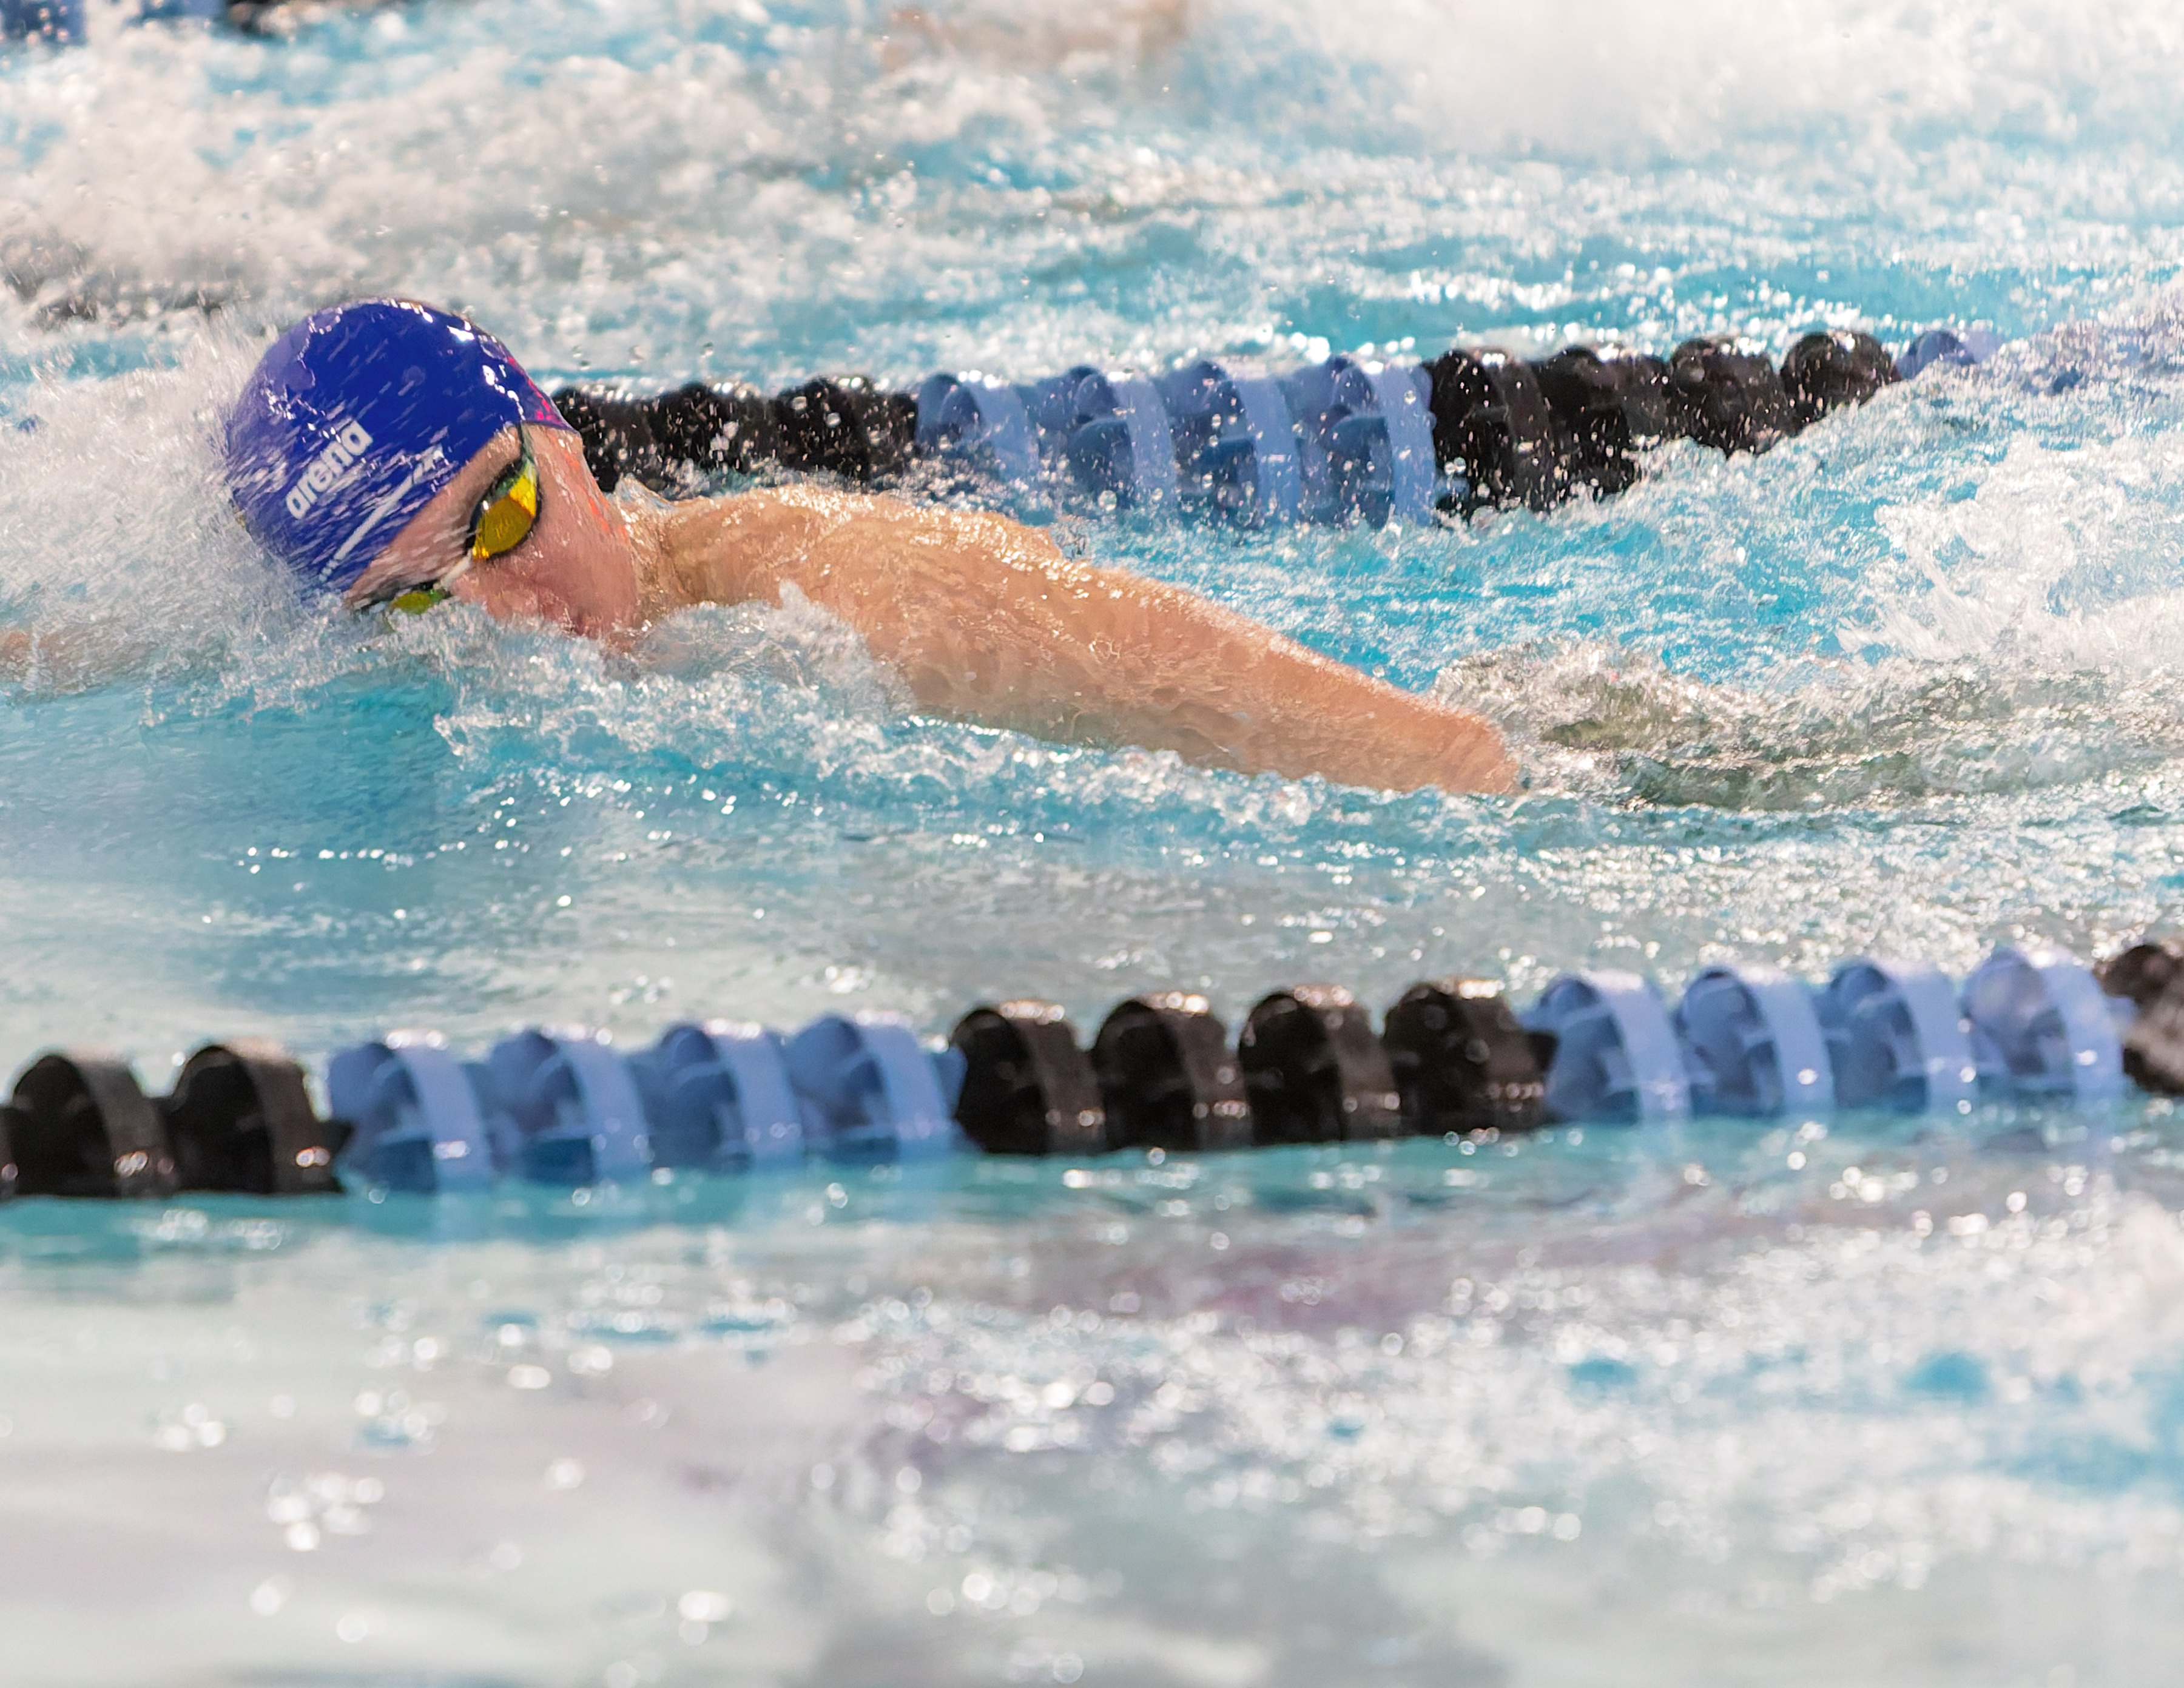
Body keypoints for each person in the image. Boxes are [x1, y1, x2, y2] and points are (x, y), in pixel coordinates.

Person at [221, 298, 1514, 795]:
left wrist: (1489, 774)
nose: (497, 611)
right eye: (414, 599)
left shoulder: (838, 587)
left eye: (499, 521)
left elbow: (1208, 690)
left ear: (560, 435)